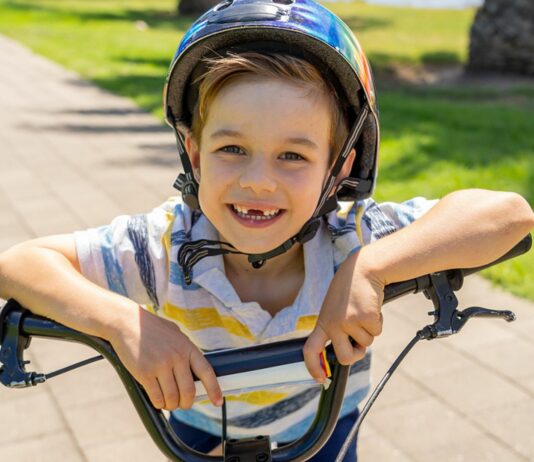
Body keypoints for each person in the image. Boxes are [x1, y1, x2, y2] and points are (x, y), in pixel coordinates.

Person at [0, 0, 533, 460]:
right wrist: (125, 324)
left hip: (327, 436)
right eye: (232, 149)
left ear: (338, 168)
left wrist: (372, 268)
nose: (258, 181)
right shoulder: (162, 246)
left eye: (293, 156)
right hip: (200, 432)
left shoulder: (354, 238)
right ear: (194, 153)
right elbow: (19, 264)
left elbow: (509, 214)